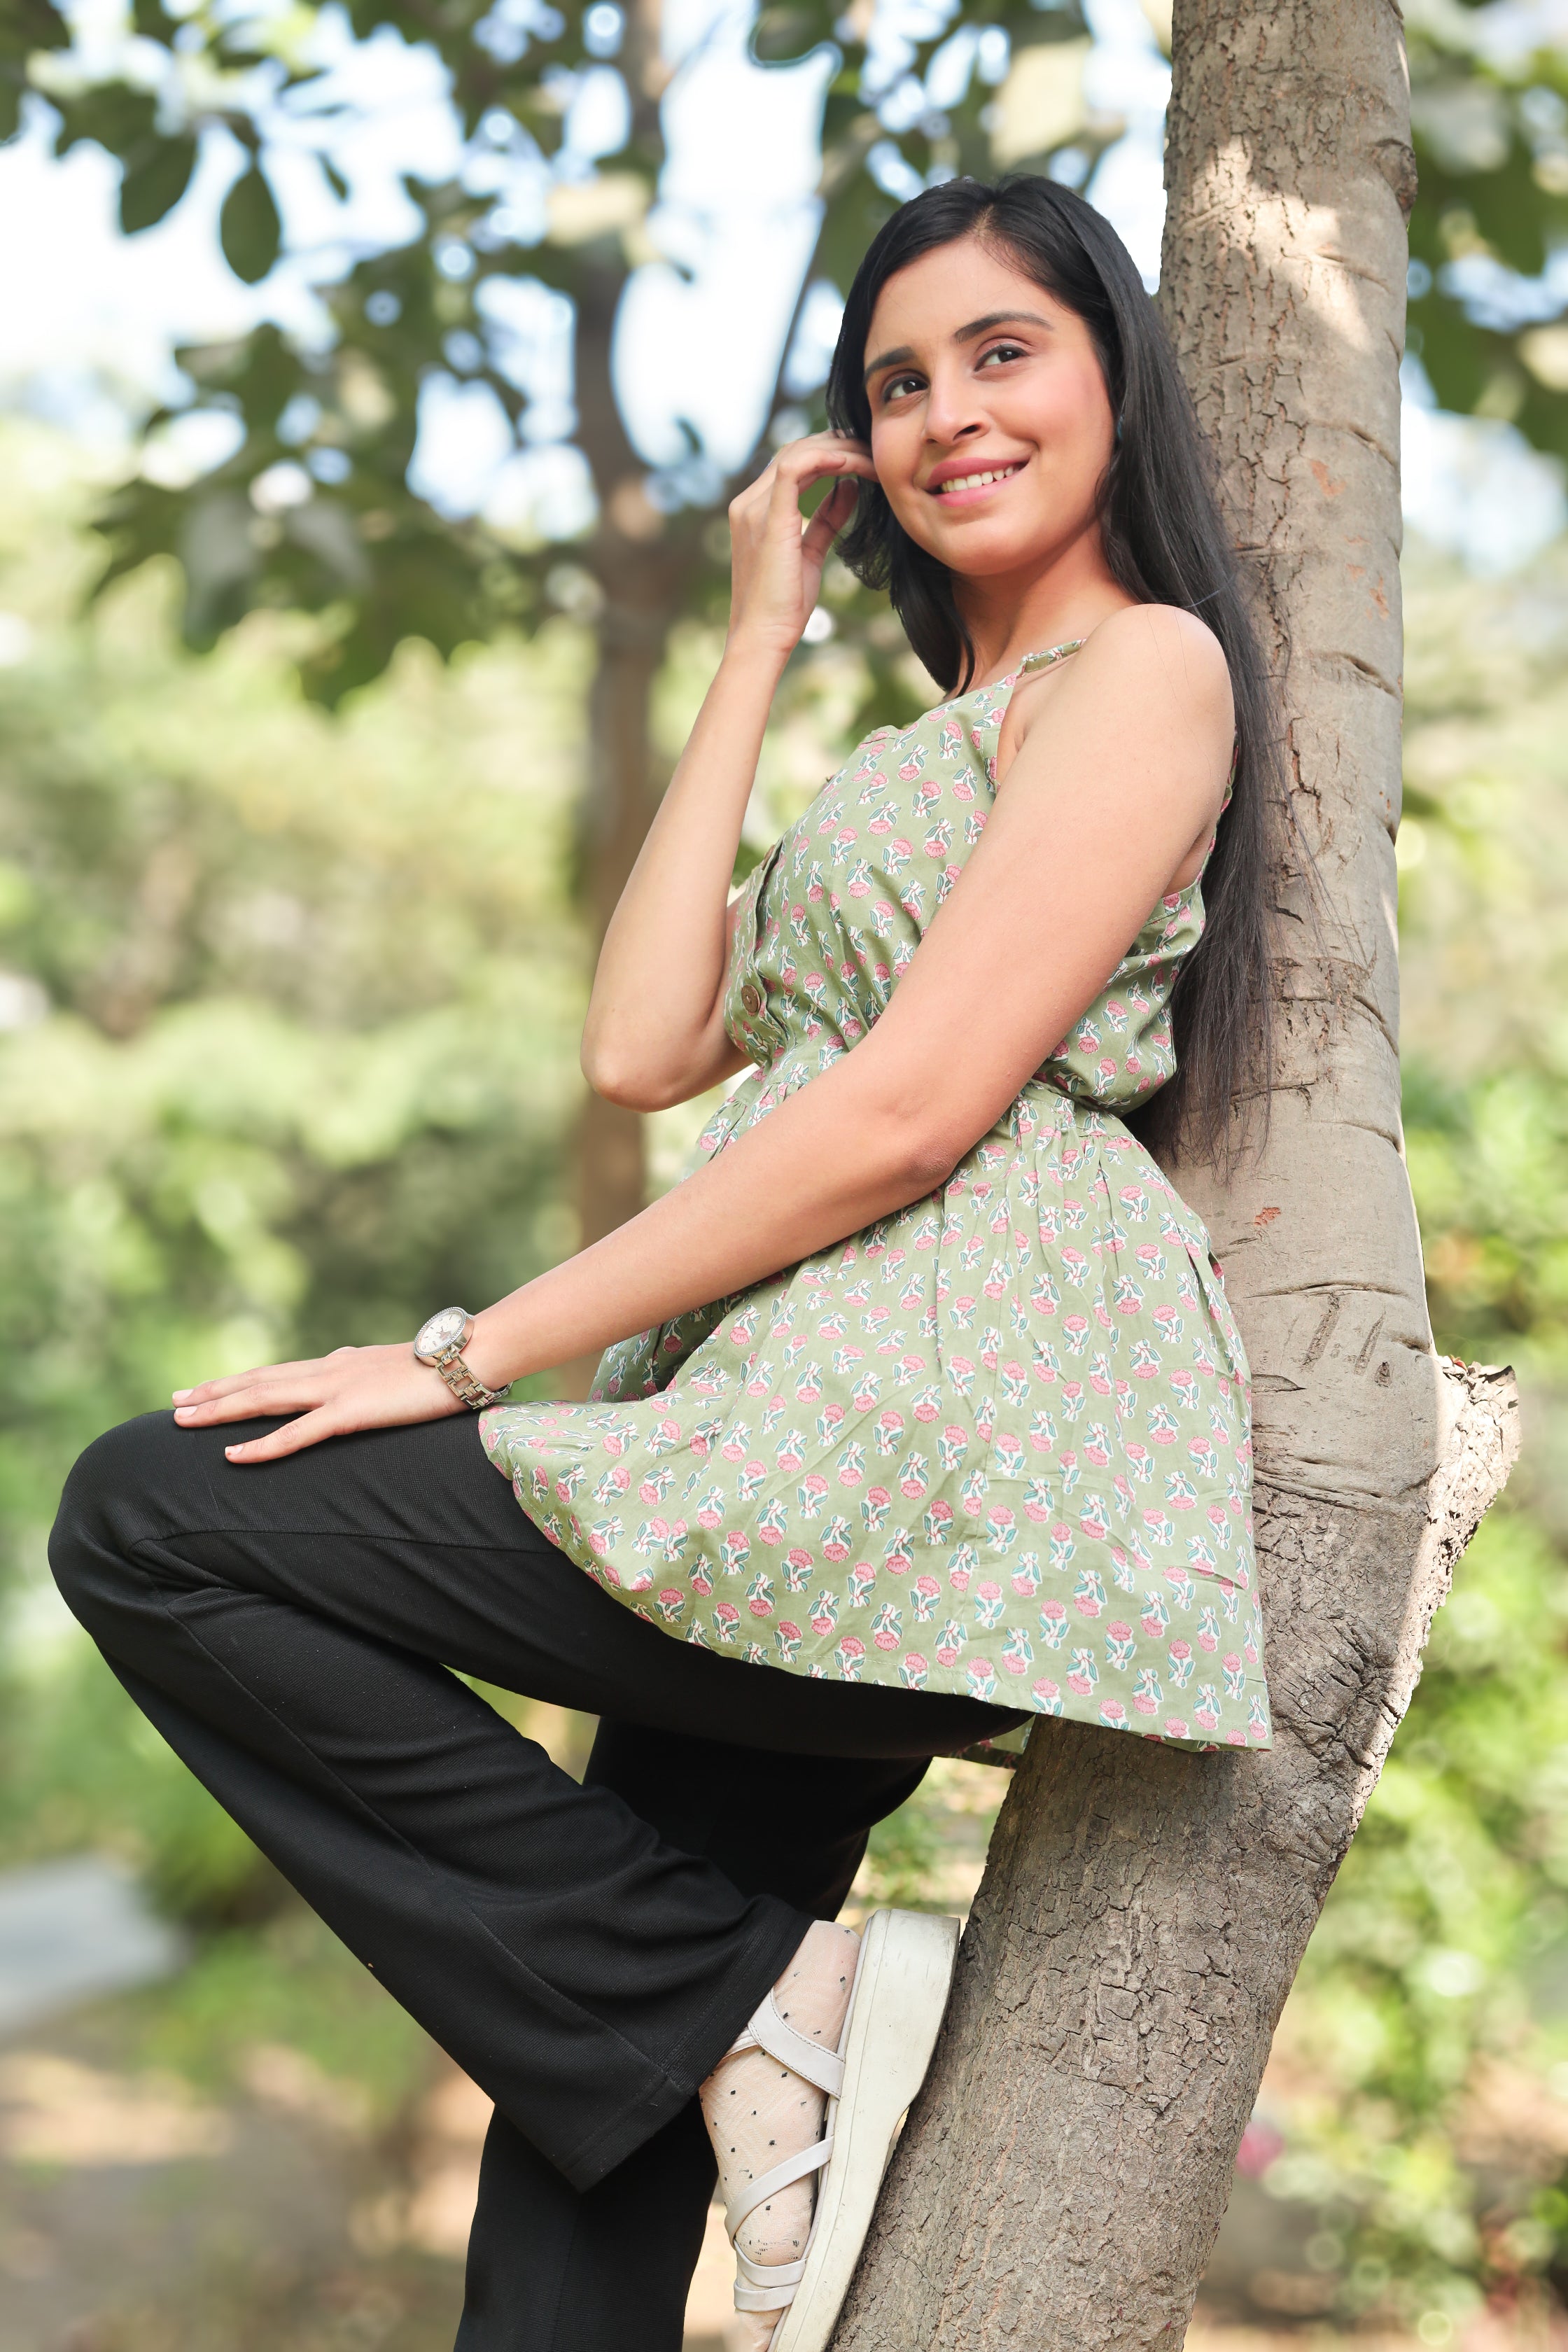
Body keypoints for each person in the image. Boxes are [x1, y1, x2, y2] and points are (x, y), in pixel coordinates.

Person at [50, 172, 1280, 2352]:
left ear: (1116, 378)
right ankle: (752, 2012)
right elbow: (640, 1039)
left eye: (1006, 353)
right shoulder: (922, 746)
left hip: (929, 1431)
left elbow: (906, 1110)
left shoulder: (1150, 665)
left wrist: (468, 1355)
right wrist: (750, 641)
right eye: (901, 381)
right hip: (788, 1425)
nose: (948, 414)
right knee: (602, 2082)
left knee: (156, 1512)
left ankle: (755, 1996)